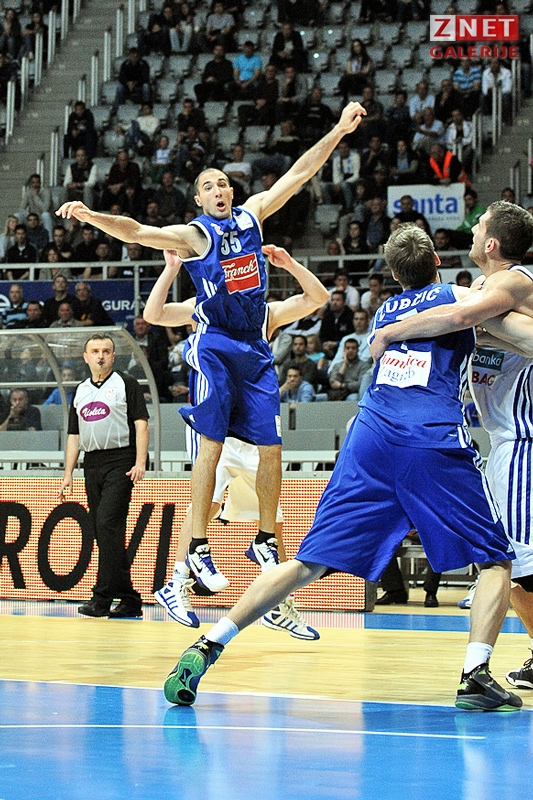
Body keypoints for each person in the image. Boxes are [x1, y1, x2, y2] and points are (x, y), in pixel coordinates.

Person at [163, 223, 522, 712]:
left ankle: (209, 643)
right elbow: (499, 323)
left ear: (393, 274)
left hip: (368, 439)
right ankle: (475, 675)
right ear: (437, 261)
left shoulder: (384, 310)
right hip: (430, 438)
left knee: (306, 563)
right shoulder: (461, 297)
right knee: (495, 560)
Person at [58, 101, 367, 591]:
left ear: (232, 191)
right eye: (208, 186)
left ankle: (264, 538)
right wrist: (91, 215)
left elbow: (300, 172)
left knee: (272, 448)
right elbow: (136, 231)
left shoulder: (253, 216)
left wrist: (338, 130)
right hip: (216, 344)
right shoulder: (195, 236)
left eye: (223, 183)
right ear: (199, 200)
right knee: (212, 446)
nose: (219, 189)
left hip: (255, 345)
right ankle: (198, 548)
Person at [371, 204, 533, 696]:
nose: (472, 228)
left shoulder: (514, 282)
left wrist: (393, 329)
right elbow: (467, 322)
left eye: (479, 225)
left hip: (523, 438)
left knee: (515, 561)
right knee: (512, 563)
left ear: (491, 244)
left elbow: (464, 316)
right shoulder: (482, 292)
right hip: (506, 440)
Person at [148, 245, 327, 632]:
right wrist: (171, 269)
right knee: (207, 505)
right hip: (220, 426)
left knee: (273, 523)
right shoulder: (205, 306)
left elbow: (318, 298)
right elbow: (154, 315)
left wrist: (291, 263)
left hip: (254, 429)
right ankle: (176, 582)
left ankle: (276, 604)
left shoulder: (265, 313)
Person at [59, 334, 149, 618]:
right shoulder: (81, 390)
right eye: (95, 351)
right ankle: (129, 598)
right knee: (104, 532)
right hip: (92, 462)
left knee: (107, 523)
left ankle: (102, 597)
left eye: (106, 351)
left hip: (121, 459)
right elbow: (74, 435)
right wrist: (68, 472)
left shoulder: (126, 383)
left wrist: (140, 462)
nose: (100, 356)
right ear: (85, 357)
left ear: (113, 356)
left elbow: (142, 424)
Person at [112, 48, 151, 114]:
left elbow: (145, 78)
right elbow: (121, 77)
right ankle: (116, 108)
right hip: (127, 86)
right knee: (119, 88)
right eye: (132, 56)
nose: (134, 58)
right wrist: (127, 83)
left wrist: (135, 83)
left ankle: (146, 106)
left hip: (139, 85)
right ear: (129, 56)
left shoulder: (143, 64)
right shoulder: (125, 64)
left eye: (136, 56)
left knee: (146, 87)